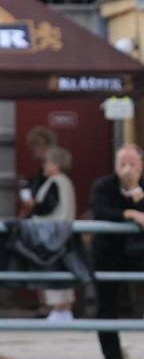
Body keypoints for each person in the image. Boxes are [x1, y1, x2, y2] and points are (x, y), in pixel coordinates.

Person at [89, 144, 144, 359]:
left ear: (141, 165)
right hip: (107, 253)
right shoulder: (104, 185)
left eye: (132, 164)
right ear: (115, 165)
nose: (127, 169)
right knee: (107, 306)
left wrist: (135, 190)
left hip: (137, 252)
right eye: (122, 164)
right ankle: (112, 357)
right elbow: (99, 211)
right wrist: (130, 213)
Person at [32, 146, 77, 322]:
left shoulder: (54, 183)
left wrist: (34, 205)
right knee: (65, 270)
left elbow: (48, 206)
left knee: (52, 270)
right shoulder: (66, 182)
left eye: (47, 162)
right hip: (64, 235)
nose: (44, 166)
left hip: (51, 235)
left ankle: (58, 310)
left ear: (55, 165)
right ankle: (65, 310)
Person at [18, 126, 58, 218]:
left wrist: (32, 206)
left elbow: (49, 203)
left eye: (36, 144)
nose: (32, 148)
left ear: (47, 145)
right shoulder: (41, 172)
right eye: (31, 144)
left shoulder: (53, 174)